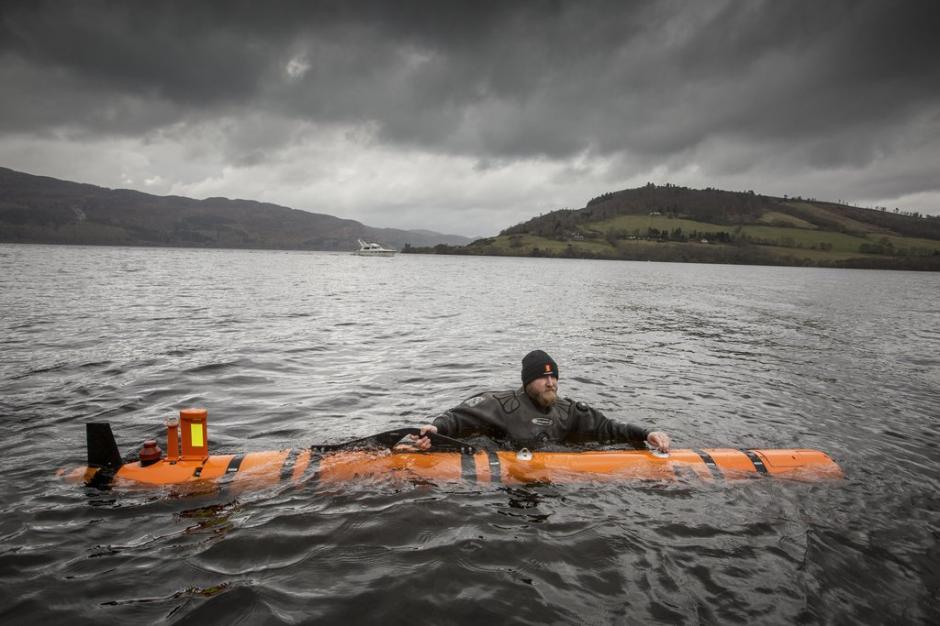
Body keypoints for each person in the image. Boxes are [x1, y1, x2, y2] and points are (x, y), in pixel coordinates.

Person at [414, 350, 670, 451]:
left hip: (552, 476)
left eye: (554, 376)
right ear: (527, 382)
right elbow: (458, 417)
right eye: (543, 377)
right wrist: (436, 429)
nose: (551, 382)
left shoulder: (568, 410)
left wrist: (646, 433)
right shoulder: (500, 404)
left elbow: (607, 428)